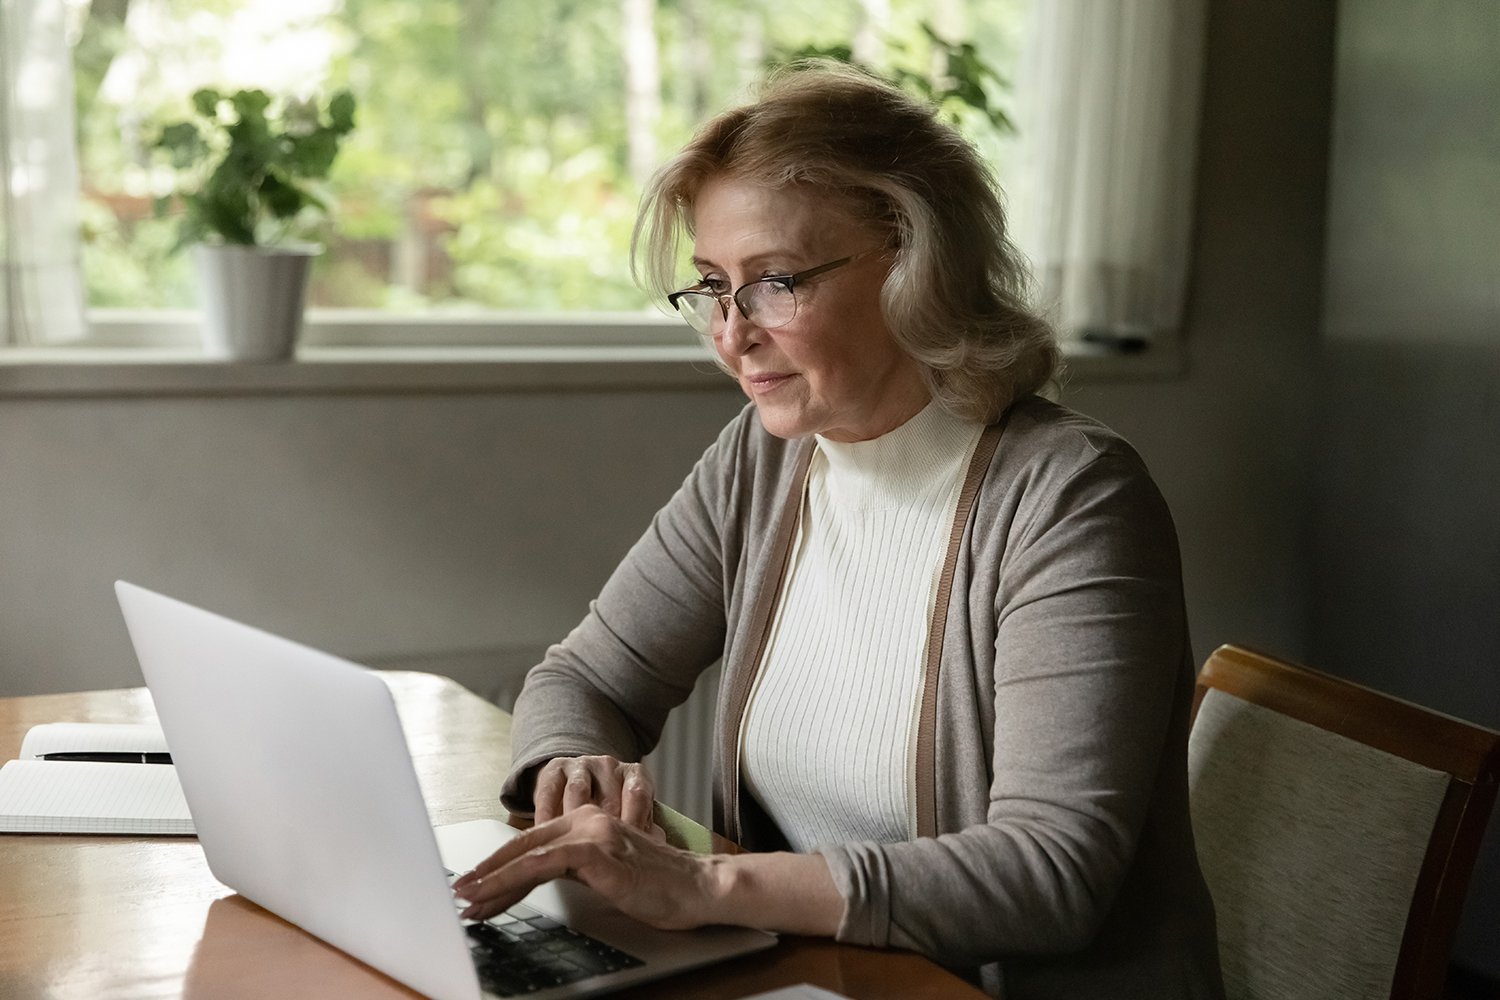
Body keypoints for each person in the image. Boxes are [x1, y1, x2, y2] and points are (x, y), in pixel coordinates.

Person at [452, 61, 1225, 998]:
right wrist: (572, 769)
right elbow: (584, 677)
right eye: (711, 285)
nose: (732, 333)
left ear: (914, 266)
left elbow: (1048, 874)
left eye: (774, 282)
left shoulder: (1073, 500)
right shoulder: (765, 459)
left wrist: (706, 885)